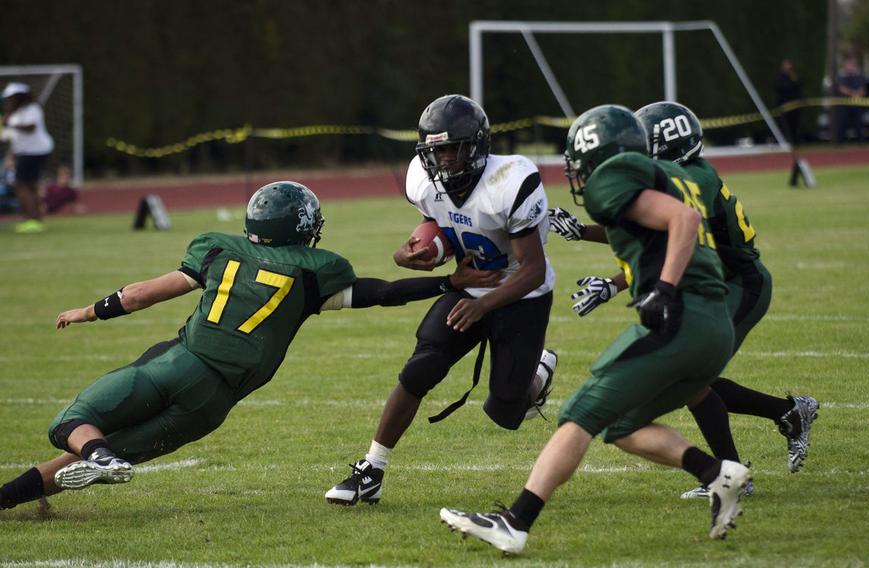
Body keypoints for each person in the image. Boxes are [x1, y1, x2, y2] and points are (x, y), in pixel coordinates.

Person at [0, 181, 500, 511]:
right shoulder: (312, 276)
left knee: (68, 426)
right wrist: (448, 283)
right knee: (89, 461)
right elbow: (383, 294)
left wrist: (87, 312)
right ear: (303, 228)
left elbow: (138, 296)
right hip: (214, 404)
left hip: (178, 363)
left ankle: (95, 458)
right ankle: (19, 496)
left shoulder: (217, 250)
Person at [440, 104, 750, 554]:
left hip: (681, 319)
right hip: (711, 325)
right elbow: (673, 221)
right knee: (621, 423)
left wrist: (663, 289)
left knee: (579, 413)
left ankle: (514, 523)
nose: (576, 172)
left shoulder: (612, 176)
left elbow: (683, 220)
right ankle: (716, 473)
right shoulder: (666, 175)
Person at [550, 101, 819, 499]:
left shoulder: (694, 180)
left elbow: (679, 238)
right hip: (721, 282)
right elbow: (653, 231)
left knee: (693, 375)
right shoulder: (688, 174)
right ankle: (756, 445)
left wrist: (613, 284)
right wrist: (586, 235)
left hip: (737, 285)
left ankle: (743, 461)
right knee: (694, 378)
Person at [326, 95, 557, 506]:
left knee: (505, 409)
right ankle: (372, 469)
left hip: (521, 295)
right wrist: (411, 255)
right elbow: (441, 225)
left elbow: (533, 269)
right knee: (421, 368)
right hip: (468, 285)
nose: (445, 160)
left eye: (453, 148)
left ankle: (538, 374)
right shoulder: (423, 181)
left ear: (477, 145)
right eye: (436, 151)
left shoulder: (512, 181)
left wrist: (485, 305)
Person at [1, 82, 54, 233]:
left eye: (11, 97)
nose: (9, 100)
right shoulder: (15, 112)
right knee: (30, 185)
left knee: (21, 185)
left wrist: (9, 123)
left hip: (35, 151)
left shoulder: (32, 108)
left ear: (19, 96)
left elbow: (31, 128)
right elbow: (13, 135)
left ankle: (31, 219)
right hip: (24, 152)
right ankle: (35, 219)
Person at [834, 57, 866, 144]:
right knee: (842, 124)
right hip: (844, 106)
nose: (850, 67)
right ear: (845, 66)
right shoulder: (841, 76)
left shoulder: (858, 76)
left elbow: (862, 89)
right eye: (848, 66)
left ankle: (861, 142)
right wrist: (854, 94)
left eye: (852, 66)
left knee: (859, 124)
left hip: (856, 105)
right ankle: (840, 143)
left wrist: (857, 94)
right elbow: (841, 89)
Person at [775, 59, 803, 144]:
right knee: (784, 125)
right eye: (786, 65)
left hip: (794, 107)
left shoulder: (793, 76)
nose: (788, 67)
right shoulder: (780, 78)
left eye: (789, 65)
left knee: (794, 124)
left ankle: (795, 142)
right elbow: (780, 89)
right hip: (784, 105)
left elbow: (798, 87)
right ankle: (785, 141)